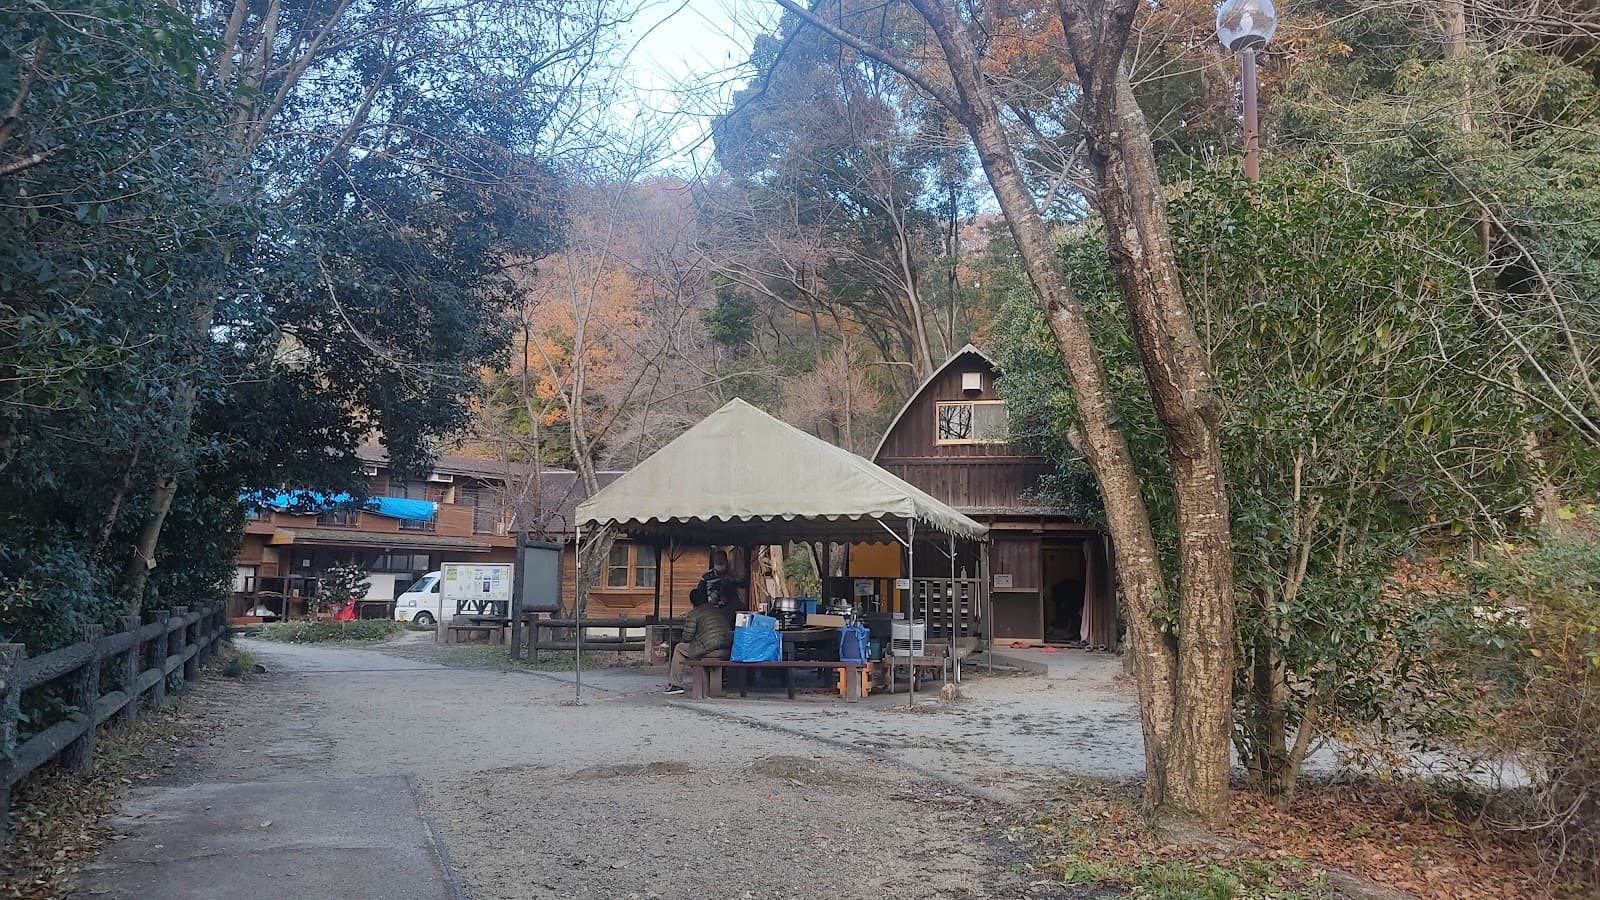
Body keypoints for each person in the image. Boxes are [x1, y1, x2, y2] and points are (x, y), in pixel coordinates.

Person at [664, 585, 733, 695]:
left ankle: (676, 685)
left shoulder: (694, 613)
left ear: (692, 601)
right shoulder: (717, 611)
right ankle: (721, 681)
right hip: (727, 649)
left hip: (710, 650)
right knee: (698, 649)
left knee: (679, 648)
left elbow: (687, 637)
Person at [698, 549, 746, 627]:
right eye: (718, 562)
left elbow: (743, 584)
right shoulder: (706, 577)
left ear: (726, 562)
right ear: (714, 562)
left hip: (729, 611)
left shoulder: (731, 575)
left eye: (722, 562)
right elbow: (700, 593)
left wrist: (733, 580)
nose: (720, 565)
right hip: (711, 610)